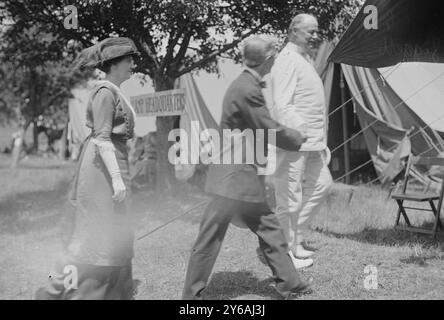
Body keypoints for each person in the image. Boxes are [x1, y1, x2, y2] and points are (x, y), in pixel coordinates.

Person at [182, 35, 312, 300]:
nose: (275, 61)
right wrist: (297, 137)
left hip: (239, 177)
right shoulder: (247, 88)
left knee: (269, 228)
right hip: (234, 179)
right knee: (210, 239)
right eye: (273, 57)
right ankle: (191, 297)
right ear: (266, 60)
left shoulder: (245, 84)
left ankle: (290, 283)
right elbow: (268, 128)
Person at [35, 37, 139, 300]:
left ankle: (114, 288)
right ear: (114, 64)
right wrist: (116, 179)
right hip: (102, 166)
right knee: (98, 228)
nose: (133, 65)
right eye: (129, 60)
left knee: (114, 226)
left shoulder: (113, 90)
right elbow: (103, 138)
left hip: (110, 160)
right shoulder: (105, 92)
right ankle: (62, 289)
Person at [270, 14, 333, 266]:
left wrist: (319, 138)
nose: (315, 36)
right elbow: (282, 105)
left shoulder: (303, 58)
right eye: (310, 32)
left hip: (313, 142)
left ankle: (294, 240)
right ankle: (283, 252)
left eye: (316, 32)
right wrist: (301, 130)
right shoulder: (286, 60)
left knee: (322, 185)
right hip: (294, 141)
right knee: (289, 198)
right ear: (293, 31)